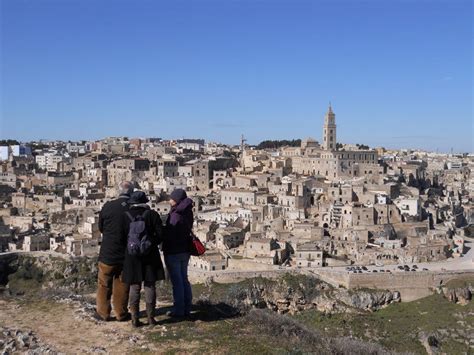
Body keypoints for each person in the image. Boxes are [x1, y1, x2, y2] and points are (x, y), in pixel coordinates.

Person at [122, 191, 165, 327]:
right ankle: (151, 318)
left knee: (134, 287)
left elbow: (122, 237)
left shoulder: (125, 217)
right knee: (150, 286)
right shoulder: (152, 215)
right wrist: (149, 243)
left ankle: (135, 318)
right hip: (150, 254)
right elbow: (160, 235)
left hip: (131, 255)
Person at [96, 181, 134, 321]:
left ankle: (103, 313)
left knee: (104, 283)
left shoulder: (108, 207)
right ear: (131, 192)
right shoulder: (132, 208)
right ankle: (121, 313)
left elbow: (101, 227)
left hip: (108, 252)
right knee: (122, 285)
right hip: (126, 254)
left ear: (118, 192)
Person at [163, 188, 194, 318]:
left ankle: (179, 310)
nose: (169, 200)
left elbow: (171, 233)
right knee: (184, 279)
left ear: (177, 200)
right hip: (185, 250)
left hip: (174, 251)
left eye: (171, 198)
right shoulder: (187, 212)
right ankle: (187, 308)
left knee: (177, 282)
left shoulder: (176, 215)